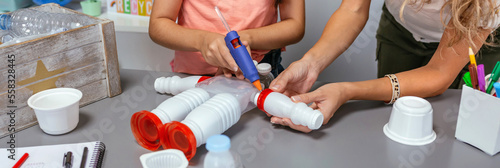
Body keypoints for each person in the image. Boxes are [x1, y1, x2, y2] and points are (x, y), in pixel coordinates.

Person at [269, 0, 500, 132]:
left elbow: (440, 71)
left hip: (476, 44)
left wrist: (347, 91)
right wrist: (311, 63)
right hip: (401, 30)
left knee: (459, 129)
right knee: (390, 119)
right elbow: (353, 9)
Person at [149, 0, 305, 79]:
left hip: (259, 72)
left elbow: (295, 25)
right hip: (193, 76)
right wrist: (202, 41)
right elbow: (158, 24)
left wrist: (246, 38)